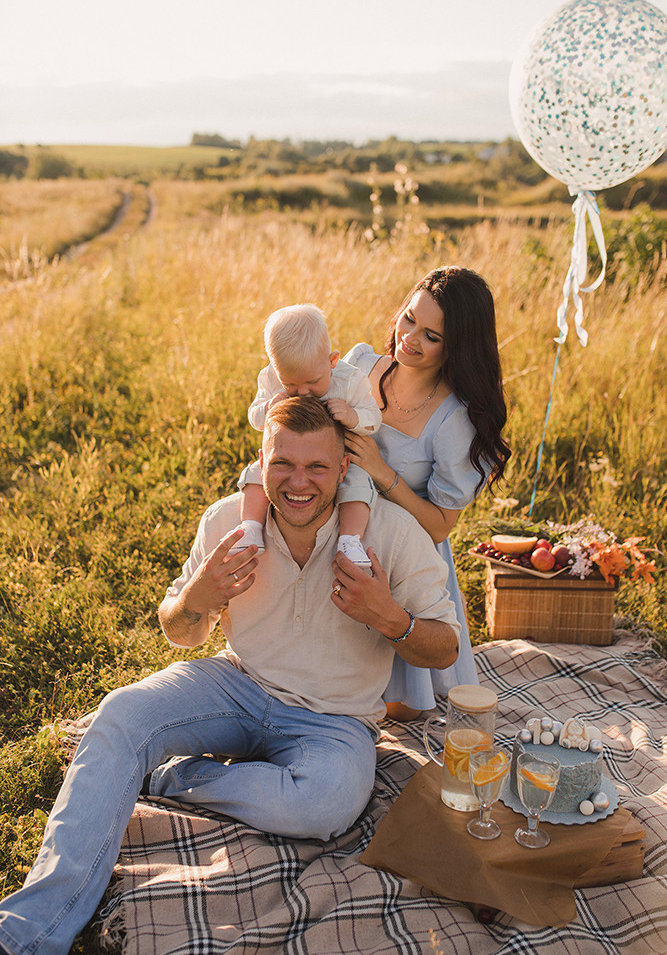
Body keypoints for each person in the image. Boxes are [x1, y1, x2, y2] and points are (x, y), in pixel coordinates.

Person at [0, 396, 459, 955]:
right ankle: (29, 934)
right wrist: (198, 596)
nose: (298, 482)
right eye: (282, 464)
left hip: (334, 720)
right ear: (259, 461)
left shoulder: (389, 530)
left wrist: (387, 615)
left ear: (344, 468)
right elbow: (179, 628)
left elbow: (446, 646)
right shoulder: (228, 519)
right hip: (237, 685)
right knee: (120, 714)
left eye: (316, 467)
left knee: (328, 802)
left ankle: (173, 778)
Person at [345, 265, 510, 720]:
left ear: (457, 347)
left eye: (432, 336)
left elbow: (439, 525)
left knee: (395, 711)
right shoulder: (359, 365)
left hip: (406, 555)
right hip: (335, 528)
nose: (410, 338)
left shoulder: (454, 420)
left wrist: (381, 471)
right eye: (409, 318)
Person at [232, 303, 381, 568]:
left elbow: (374, 419)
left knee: (358, 485)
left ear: (332, 361)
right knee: (258, 474)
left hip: (338, 458)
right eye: (290, 384)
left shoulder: (349, 381)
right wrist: (268, 407)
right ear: (275, 368)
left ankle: (349, 540)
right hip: (286, 452)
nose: (301, 392)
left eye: (312, 383)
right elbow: (254, 417)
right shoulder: (271, 377)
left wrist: (351, 415)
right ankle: (251, 527)